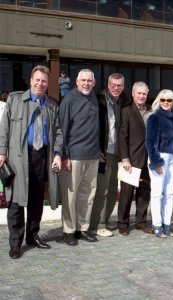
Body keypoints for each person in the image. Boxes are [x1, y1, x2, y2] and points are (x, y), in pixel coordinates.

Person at [0, 65, 63, 259]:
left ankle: (32, 235)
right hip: (18, 158)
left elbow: (58, 132)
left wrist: (58, 153)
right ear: (31, 80)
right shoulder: (15, 99)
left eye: (44, 81)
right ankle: (15, 243)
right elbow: (4, 128)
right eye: (38, 80)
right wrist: (2, 152)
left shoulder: (52, 105)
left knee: (36, 200)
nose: (40, 84)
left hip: (41, 157)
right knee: (16, 201)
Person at [59, 69, 101, 246]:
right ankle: (68, 230)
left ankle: (82, 228)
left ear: (94, 82)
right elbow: (62, 129)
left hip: (92, 155)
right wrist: (64, 155)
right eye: (83, 80)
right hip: (74, 156)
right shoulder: (69, 99)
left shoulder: (93, 97)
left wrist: (99, 150)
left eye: (89, 81)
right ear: (76, 81)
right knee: (71, 195)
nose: (86, 83)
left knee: (87, 194)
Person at [89, 73, 126, 237]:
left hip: (118, 154)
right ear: (107, 85)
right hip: (103, 153)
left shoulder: (123, 103)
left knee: (112, 190)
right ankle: (98, 224)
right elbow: (92, 128)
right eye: (113, 84)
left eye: (119, 85)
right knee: (102, 190)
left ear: (123, 87)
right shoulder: (98, 101)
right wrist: (97, 149)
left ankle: (105, 219)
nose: (116, 88)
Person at [117, 82, 153, 236]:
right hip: (131, 159)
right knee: (126, 193)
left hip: (148, 159)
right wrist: (125, 158)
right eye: (139, 93)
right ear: (133, 94)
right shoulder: (126, 111)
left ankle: (141, 222)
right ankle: (123, 223)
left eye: (144, 94)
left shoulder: (151, 111)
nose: (141, 96)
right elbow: (122, 136)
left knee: (144, 192)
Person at [146, 89, 173, 238]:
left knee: (170, 193)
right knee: (157, 193)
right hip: (160, 157)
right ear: (158, 102)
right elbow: (150, 142)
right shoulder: (154, 118)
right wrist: (156, 162)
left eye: (169, 100)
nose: (166, 102)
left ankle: (167, 224)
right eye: (163, 100)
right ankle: (157, 225)